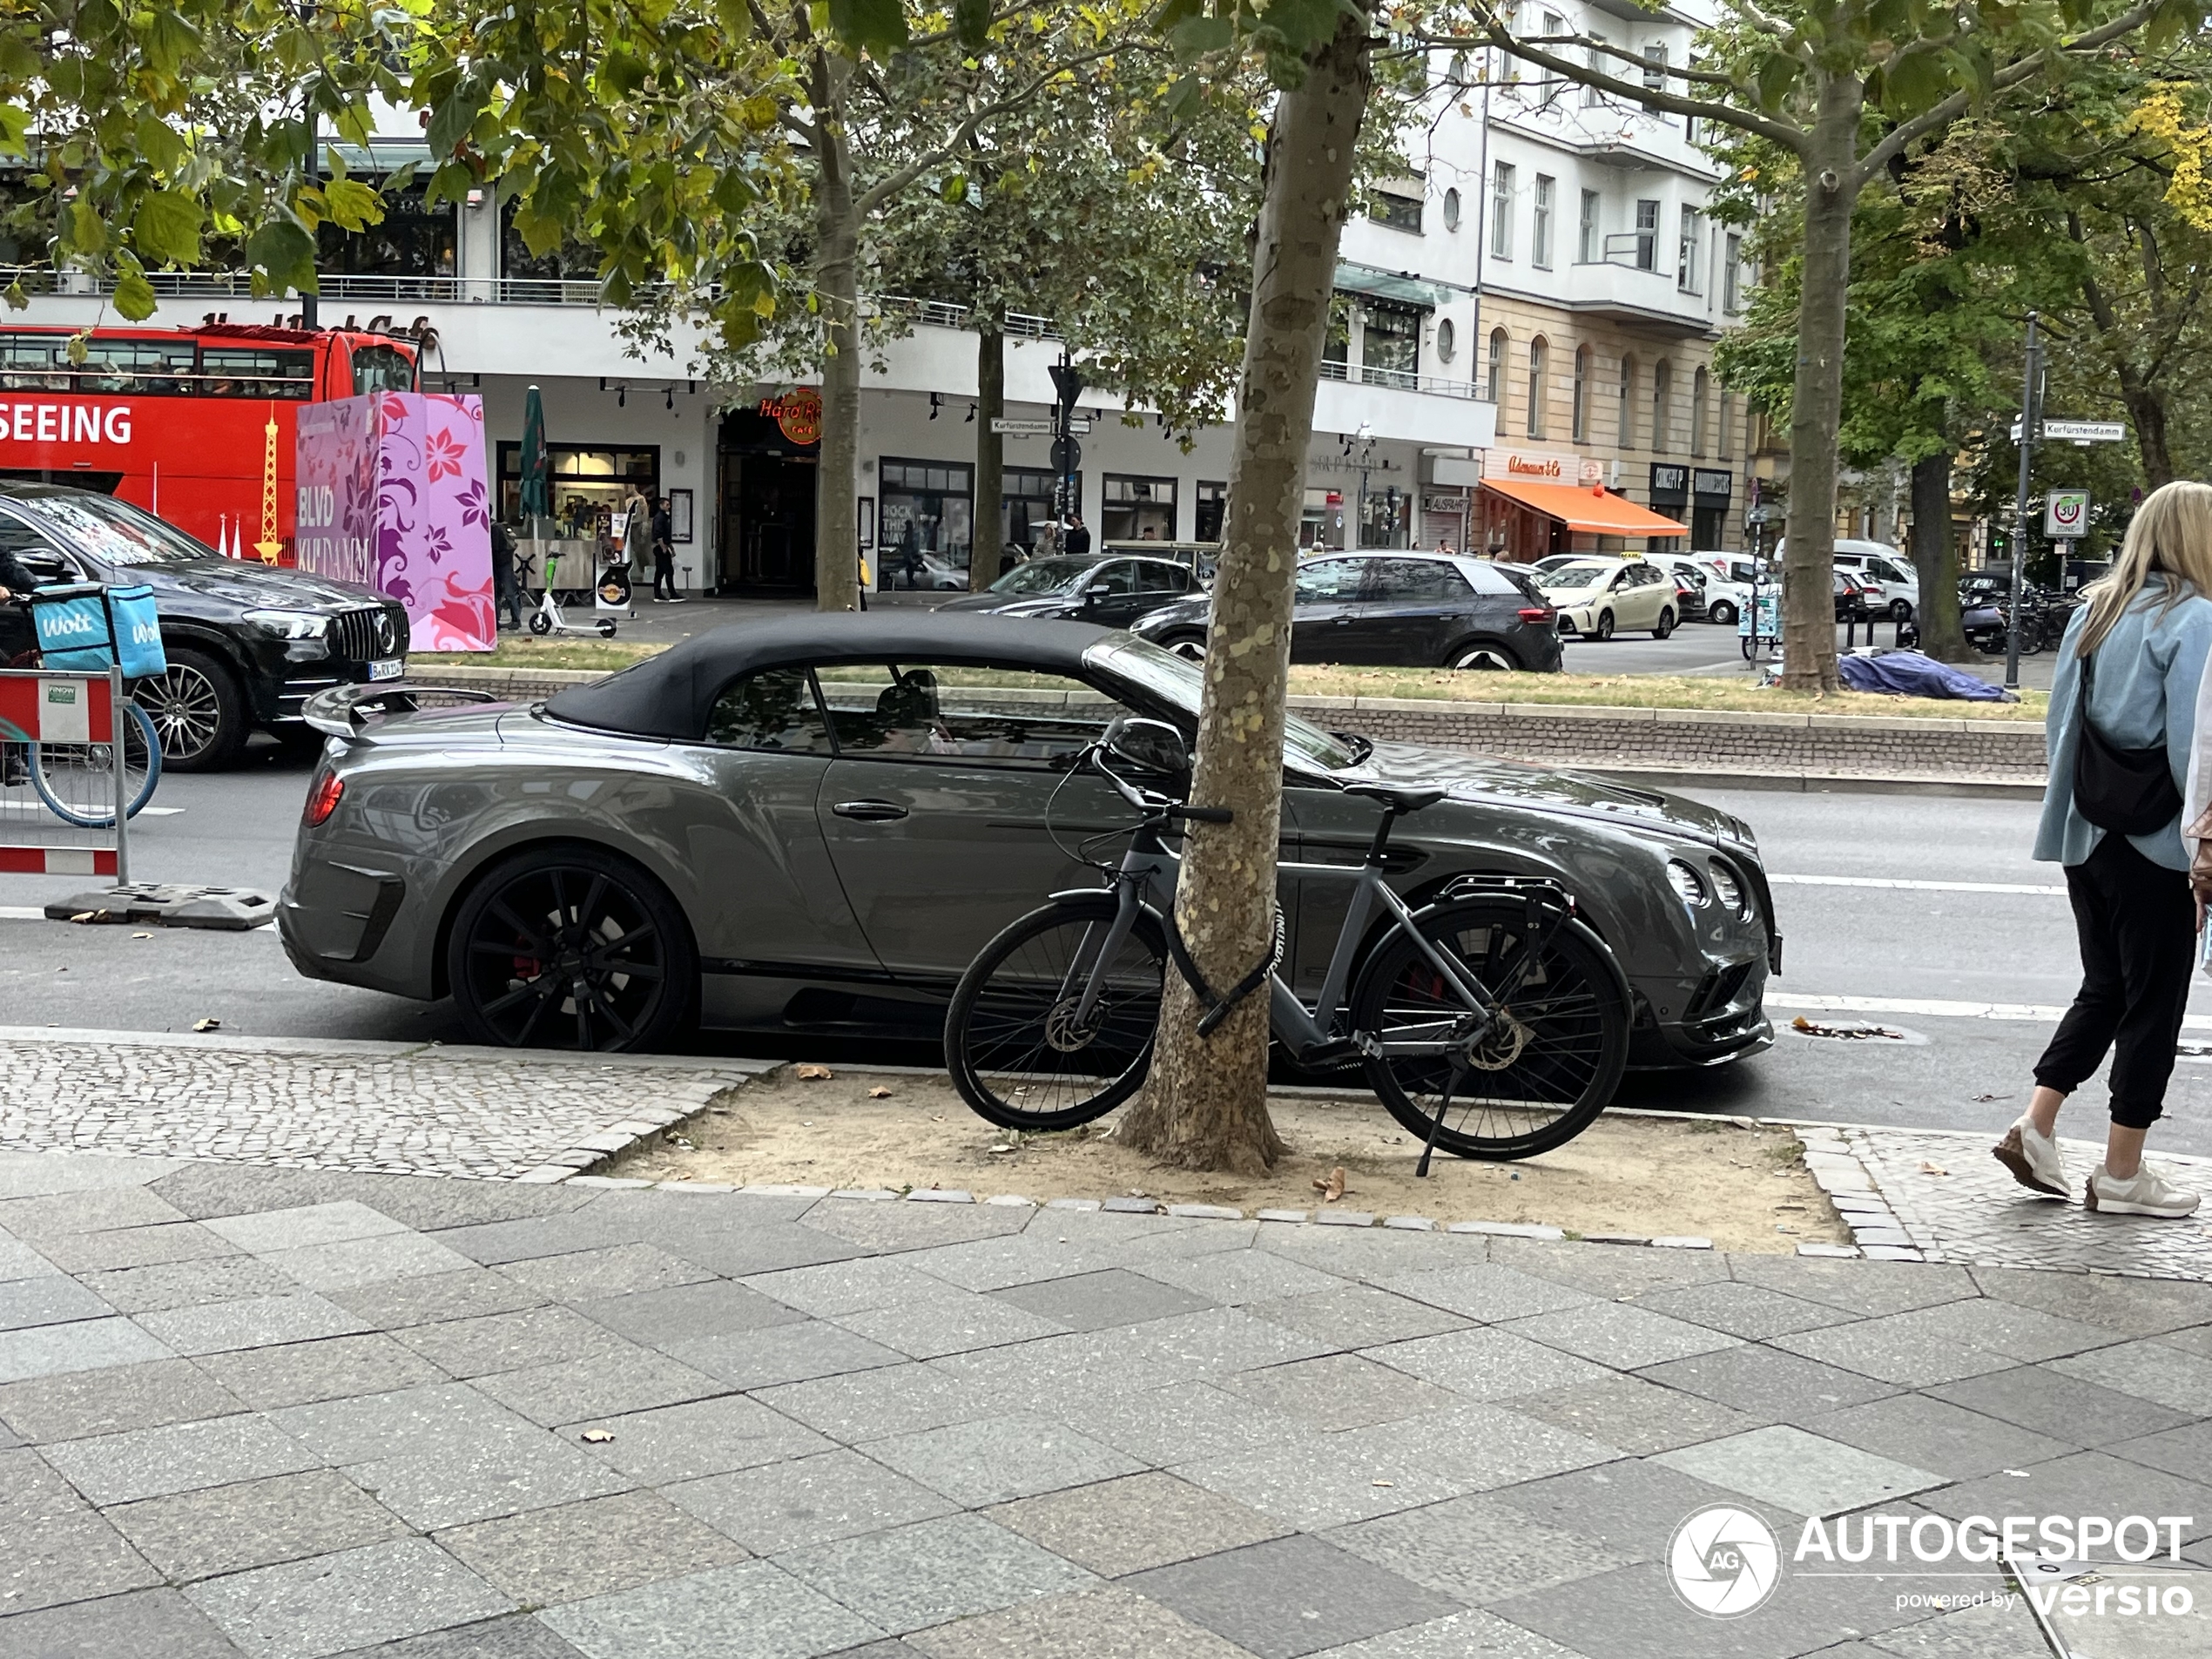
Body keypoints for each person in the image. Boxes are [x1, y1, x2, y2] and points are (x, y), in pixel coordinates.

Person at [1996, 481, 2212, 1218]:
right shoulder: (2197, 620)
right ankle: (2122, 1173)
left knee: (2106, 985)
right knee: (2155, 1002)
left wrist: (2068, 819)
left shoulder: (2095, 610)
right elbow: (2195, 747)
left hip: (2084, 833)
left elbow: (2062, 727)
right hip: (2157, 841)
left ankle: (2036, 1123)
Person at [490, 518, 521, 631]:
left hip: (501, 564)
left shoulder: (494, 528)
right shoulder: (495, 526)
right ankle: (509, 619)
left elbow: (494, 549)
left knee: (506, 592)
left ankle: (515, 620)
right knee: (503, 592)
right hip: (504, 563)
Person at [651, 496, 680, 604]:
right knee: (668, 570)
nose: (669, 507)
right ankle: (672, 593)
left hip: (663, 546)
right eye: (667, 505)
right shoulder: (660, 518)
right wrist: (664, 547)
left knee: (660, 571)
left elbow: (666, 535)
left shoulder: (664, 517)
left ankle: (658, 593)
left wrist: (671, 548)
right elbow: (659, 534)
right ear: (661, 505)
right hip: (661, 547)